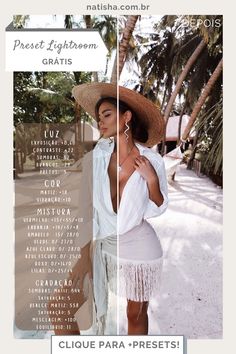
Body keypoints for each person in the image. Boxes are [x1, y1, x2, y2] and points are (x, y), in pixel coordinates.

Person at [48, 83, 168, 335]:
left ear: (126, 116)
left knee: (135, 315)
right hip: (100, 242)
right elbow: (84, 211)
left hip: (139, 244)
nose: (100, 122)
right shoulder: (96, 158)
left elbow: (159, 206)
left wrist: (151, 180)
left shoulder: (152, 160)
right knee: (59, 306)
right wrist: (83, 257)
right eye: (98, 117)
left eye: (107, 115)